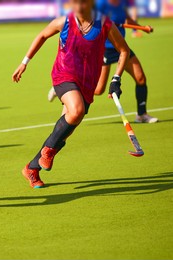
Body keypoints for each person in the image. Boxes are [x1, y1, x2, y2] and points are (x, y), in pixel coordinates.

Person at [12, 0, 130, 188]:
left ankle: (31, 168)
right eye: (74, 2)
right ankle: (47, 152)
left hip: (87, 83)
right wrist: (24, 62)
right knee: (76, 111)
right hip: (63, 75)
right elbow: (42, 35)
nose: (78, 6)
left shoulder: (105, 24)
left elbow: (124, 51)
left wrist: (116, 79)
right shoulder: (64, 22)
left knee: (61, 134)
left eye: (82, 2)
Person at [95, 0, 157, 123]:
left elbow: (127, 19)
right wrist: (105, 24)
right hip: (105, 49)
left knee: (140, 78)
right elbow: (90, 22)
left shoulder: (122, 2)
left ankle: (141, 114)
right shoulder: (101, 4)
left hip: (122, 48)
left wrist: (141, 28)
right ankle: (69, 88)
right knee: (98, 90)